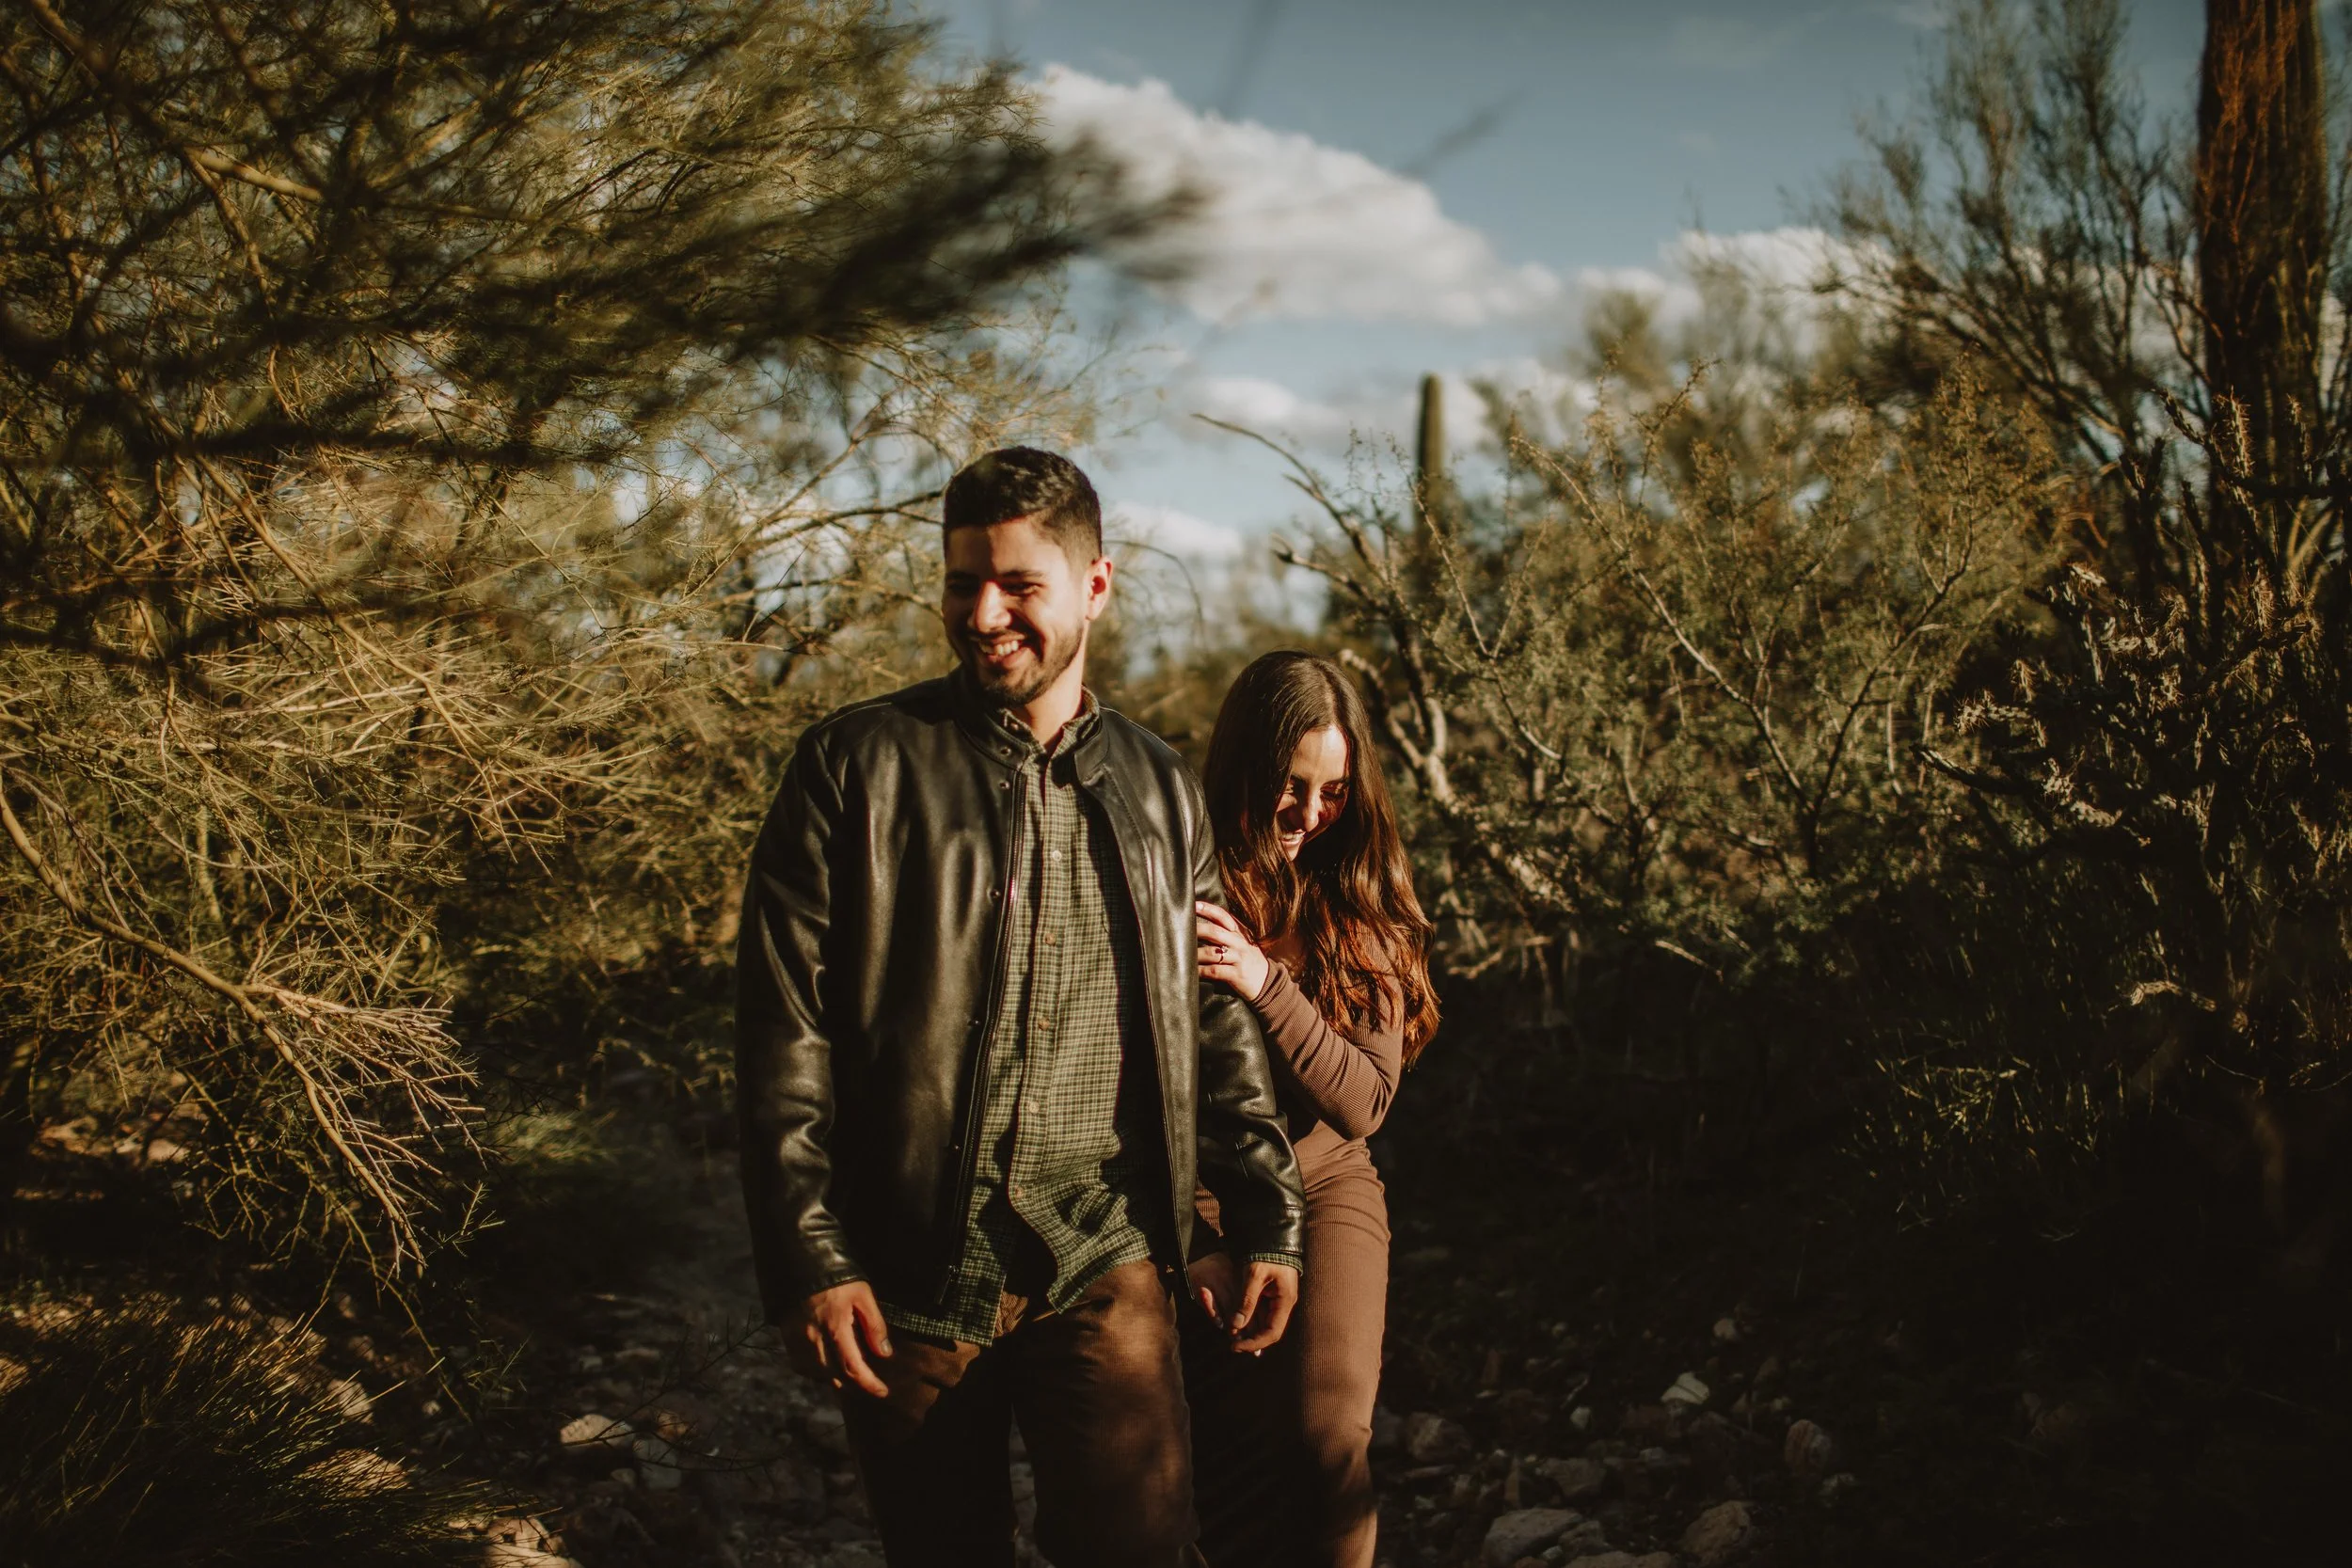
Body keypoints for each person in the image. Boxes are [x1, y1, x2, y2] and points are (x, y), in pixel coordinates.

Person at [734, 448, 1307, 1568]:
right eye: (962, 584)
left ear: (1094, 585)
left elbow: (1213, 1018)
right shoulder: (853, 767)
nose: (984, 614)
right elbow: (781, 1029)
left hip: (1104, 1250)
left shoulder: (1159, 786)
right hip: (908, 1268)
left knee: (1142, 1550)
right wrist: (810, 1251)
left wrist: (1264, 1211)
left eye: (1017, 585)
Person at [1184, 650, 1440, 1568]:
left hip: (1328, 1181)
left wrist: (1265, 982)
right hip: (1195, 1196)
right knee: (1221, 1470)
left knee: (1328, 1441)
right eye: (1290, 786)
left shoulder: (1354, 892)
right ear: (1244, 766)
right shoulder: (1181, 874)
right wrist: (1190, 1236)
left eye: (1333, 791)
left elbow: (1364, 1098)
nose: (1309, 813)